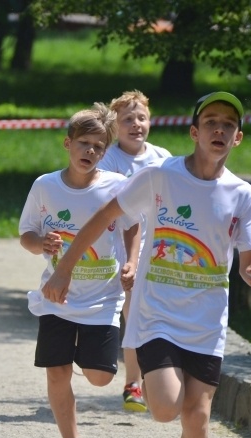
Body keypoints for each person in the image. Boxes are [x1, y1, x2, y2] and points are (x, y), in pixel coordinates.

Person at [42, 92, 251, 438]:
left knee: (199, 417)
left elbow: (247, 262)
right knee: (167, 408)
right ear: (195, 132)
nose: (219, 130)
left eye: (228, 124)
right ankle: (152, 384)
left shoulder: (243, 195)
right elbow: (105, 216)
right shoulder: (160, 176)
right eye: (210, 122)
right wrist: (64, 270)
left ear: (238, 137)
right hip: (158, 315)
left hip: (207, 322)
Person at [19, 103, 139, 438]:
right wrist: (42, 244)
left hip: (103, 297)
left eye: (98, 147)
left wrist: (132, 261)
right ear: (67, 144)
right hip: (57, 296)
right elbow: (26, 235)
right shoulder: (45, 186)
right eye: (83, 143)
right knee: (56, 373)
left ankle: (81, 354)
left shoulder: (116, 187)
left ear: (105, 151)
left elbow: (134, 226)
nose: (90, 152)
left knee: (101, 376)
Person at [98, 90, 172, 413]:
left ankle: (153, 380)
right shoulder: (109, 160)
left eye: (141, 118)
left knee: (150, 316)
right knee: (133, 313)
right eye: (127, 120)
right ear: (116, 127)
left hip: (157, 251)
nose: (136, 124)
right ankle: (134, 382)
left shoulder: (162, 158)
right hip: (121, 252)